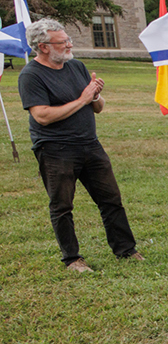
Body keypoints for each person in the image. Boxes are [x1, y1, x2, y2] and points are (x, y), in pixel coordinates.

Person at [17, 18, 142, 271]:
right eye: (63, 42)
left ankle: (126, 250)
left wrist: (95, 96)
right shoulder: (31, 75)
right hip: (55, 150)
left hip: (90, 145)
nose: (69, 45)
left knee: (111, 200)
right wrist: (83, 99)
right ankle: (72, 259)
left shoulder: (77, 66)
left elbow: (98, 107)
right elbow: (41, 115)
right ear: (43, 46)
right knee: (62, 205)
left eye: (68, 40)